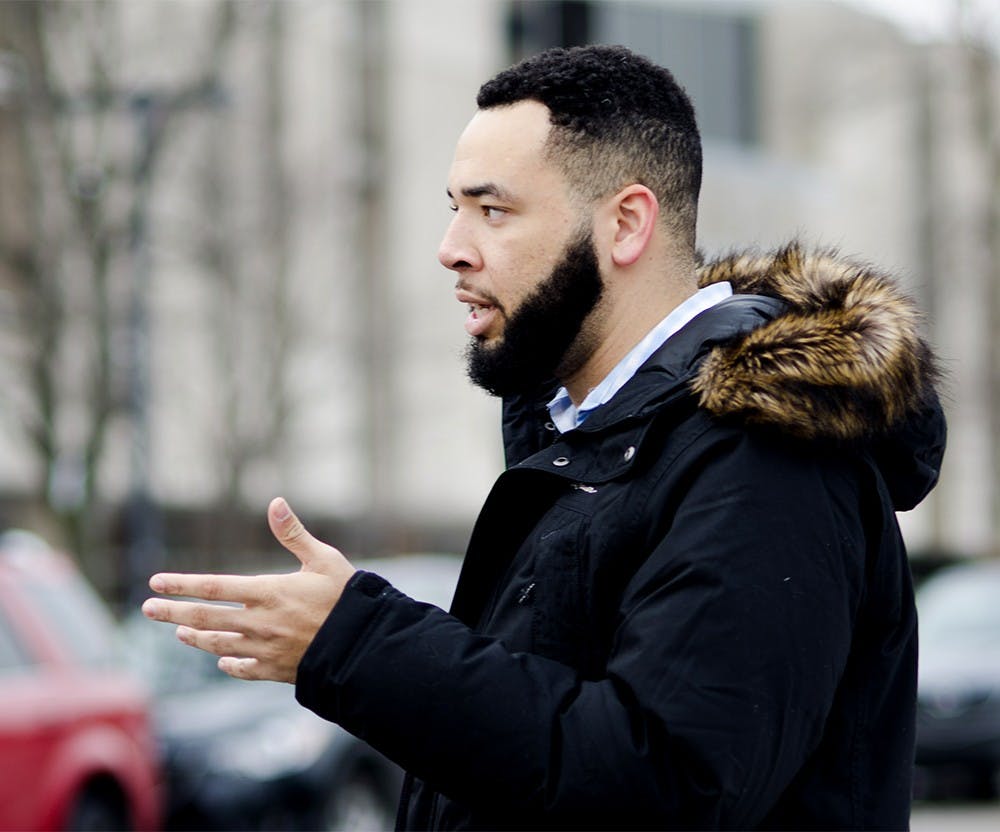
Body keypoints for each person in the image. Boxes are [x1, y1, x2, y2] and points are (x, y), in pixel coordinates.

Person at [142, 45, 946, 830]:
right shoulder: (595, 441)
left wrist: (356, 645)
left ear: (626, 224)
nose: (452, 247)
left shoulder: (765, 455)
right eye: (453, 207)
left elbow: (665, 783)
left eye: (493, 210)